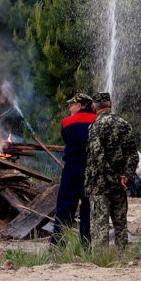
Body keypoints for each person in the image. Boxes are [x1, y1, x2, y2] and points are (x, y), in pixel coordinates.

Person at [85, 92, 139, 249]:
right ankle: (122, 255)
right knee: (120, 223)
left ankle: (101, 260)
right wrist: (125, 176)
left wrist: (113, 177)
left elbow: (98, 156)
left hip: (100, 185)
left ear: (94, 106)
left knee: (99, 224)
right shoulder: (123, 124)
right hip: (119, 185)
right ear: (111, 104)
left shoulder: (95, 126)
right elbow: (133, 155)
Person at [51, 93, 96, 247]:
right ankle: (86, 245)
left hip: (71, 169)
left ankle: (58, 244)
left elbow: (66, 139)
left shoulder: (66, 122)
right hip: (91, 170)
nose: (70, 108)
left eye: (72, 104)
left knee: (64, 207)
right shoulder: (97, 121)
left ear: (81, 105)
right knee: (87, 209)